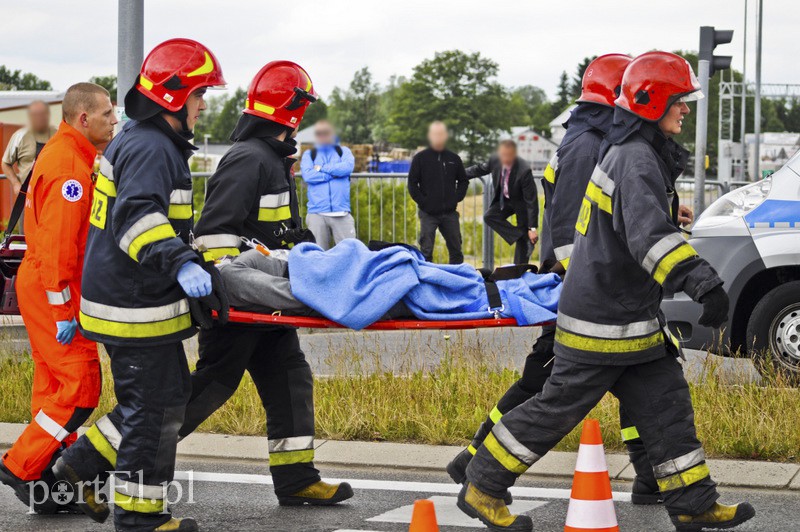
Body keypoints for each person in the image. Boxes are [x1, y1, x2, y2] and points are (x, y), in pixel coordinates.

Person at [458, 51, 755, 532]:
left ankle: (693, 502)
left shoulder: (634, 152)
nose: (685, 110)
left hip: (629, 319)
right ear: (652, 102)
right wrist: (702, 282)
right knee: (556, 408)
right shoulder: (635, 158)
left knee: (667, 405)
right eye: (680, 102)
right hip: (603, 320)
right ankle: (483, 483)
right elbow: (649, 239)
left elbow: (637, 231)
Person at [51, 39, 226, 532]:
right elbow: (136, 219)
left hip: (134, 302)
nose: (204, 104)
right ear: (174, 97)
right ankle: (140, 518)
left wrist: (187, 255)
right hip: (134, 308)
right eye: (199, 94)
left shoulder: (142, 139)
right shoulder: (151, 147)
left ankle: (81, 467)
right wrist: (181, 263)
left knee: (159, 401)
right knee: (152, 413)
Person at [181, 61, 354, 507]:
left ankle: (298, 478)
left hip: (267, 303)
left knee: (291, 379)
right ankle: (119, 459)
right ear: (292, 109)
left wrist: (294, 241)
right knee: (211, 387)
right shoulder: (249, 158)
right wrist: (228, 291)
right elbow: (216, 232)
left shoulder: (272, 159)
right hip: (241, 302)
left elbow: (265, 230)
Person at [0, 83, 116, 514]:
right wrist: (64, 308)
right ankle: (21, 464)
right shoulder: (70, 167)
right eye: (107, 113)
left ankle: (47, 482)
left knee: (53, 391)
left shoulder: (69, 154)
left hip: (46, 284)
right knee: (81, 389)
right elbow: (61, 249)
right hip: (56, 288)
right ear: (83, 119)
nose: (114, 120)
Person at [466, 140, 538, 265]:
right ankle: (520, 235)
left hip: (522, 203)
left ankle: (519, 270)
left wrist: (532, 228)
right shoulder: (495, 160)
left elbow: (531, 201)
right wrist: (458, 174)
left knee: (525, 236)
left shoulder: (524, 171)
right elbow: (478, 169)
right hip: (505, 200)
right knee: (489, 216)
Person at [407, 121, 469, 263]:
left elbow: (463, 181)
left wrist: (456, 198)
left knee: (456, 250)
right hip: (428, 213)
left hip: (449, 214)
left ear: (445, 136)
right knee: (426, 251)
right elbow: (412, 183)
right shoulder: (420, 158)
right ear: (430, 136)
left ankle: (456, 281)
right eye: (435, 134)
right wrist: (424, 202)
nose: (438, 137)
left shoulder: (454, 159)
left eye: (441, 134)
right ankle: (428, 282)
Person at [300, 120, 356, 249]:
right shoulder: (310, 154)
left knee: (349, 253)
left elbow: (347, 168)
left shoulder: (344, 151)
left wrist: (321, 168)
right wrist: (333, 174)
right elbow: (308, 175)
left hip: (342, 212)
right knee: (317, 254)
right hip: (316, 214)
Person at [2, 100, 57, 196]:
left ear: (48, 115)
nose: (39, 118)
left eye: (42, 114)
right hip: (27, 196)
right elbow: (5, 163)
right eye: (36, 115)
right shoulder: (20, 136)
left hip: (54, 194)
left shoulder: (59, 134)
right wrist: (15, 183)